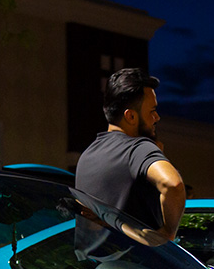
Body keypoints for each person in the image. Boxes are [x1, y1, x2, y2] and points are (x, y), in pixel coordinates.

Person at [74, 68, 185, 244]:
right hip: (136, 268)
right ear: (131, 116)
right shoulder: (138, 148)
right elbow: (173, 184)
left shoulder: (87, 155)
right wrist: (167, 233)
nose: (157, 117)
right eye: (152, 111)